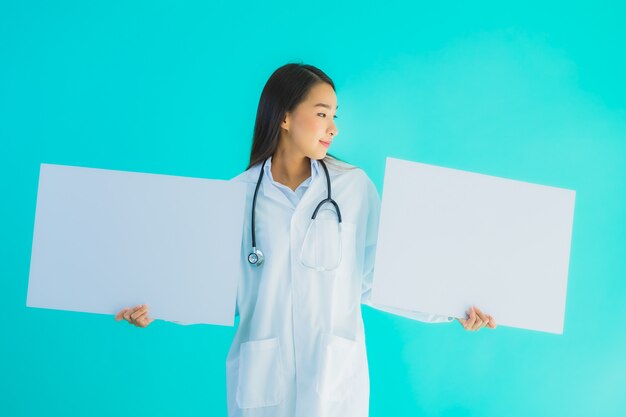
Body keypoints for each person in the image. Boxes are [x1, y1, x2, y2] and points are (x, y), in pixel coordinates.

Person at [115, 63, 497, 417]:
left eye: (334, 116)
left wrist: (451, 306)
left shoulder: (352, 188)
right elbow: (215, 290)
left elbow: (379, 276)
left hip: (333, 385)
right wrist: (155, 306)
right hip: (262, 387)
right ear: (284, 117)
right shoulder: (237, 196)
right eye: (321, 114)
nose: (333, 128)